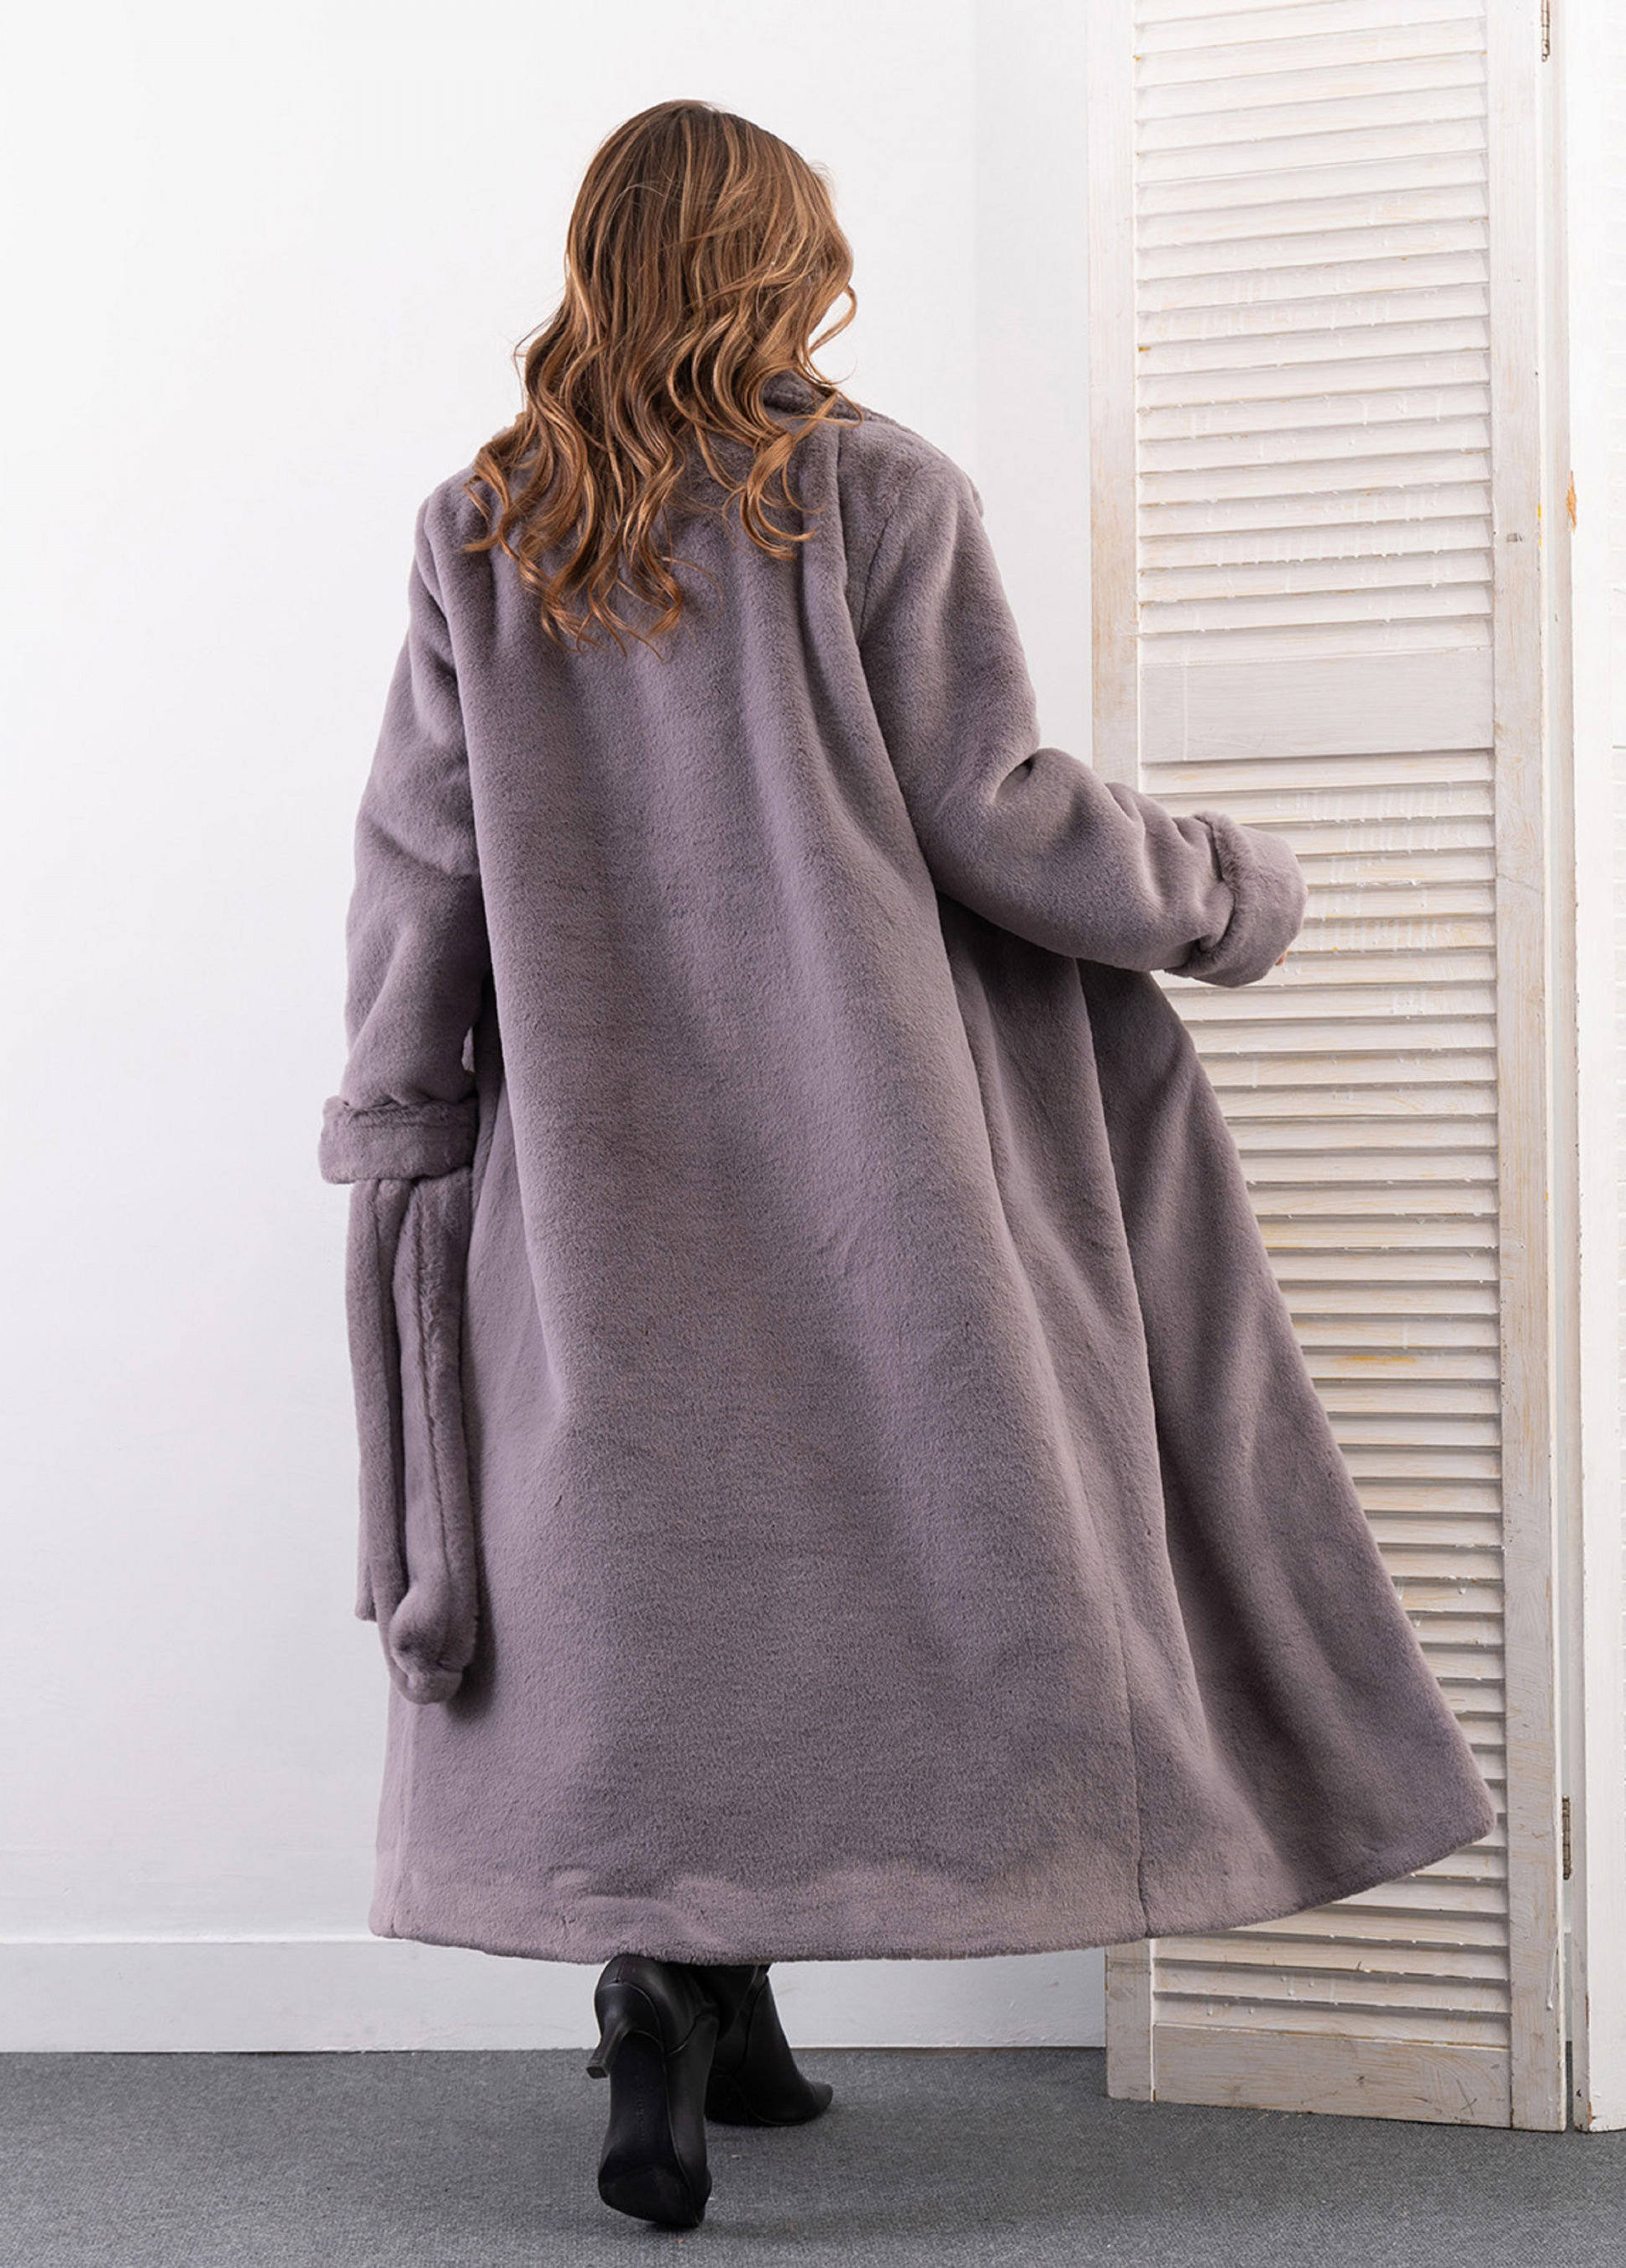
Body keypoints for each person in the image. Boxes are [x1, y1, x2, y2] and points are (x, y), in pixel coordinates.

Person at [317, 99, 1497, 2231]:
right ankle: (703, 1995)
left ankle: (675, 2000)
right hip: (882, 1158)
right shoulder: (867, 492)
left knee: (660, 1579)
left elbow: (421, 866)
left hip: (591, 1178)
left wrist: (403, 1134)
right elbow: (998, 814)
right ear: (786, 264)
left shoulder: (481, 527)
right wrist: (1224, 888)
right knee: (874, 1569)